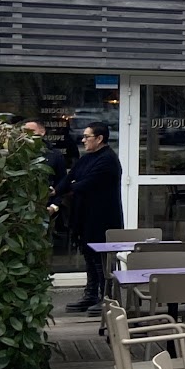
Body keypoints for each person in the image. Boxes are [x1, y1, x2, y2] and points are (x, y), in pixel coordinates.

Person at [64, 121, 123, 313]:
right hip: (85, 217)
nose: (83, 140)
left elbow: (85, 183)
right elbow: (71, 177)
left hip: (103, 219)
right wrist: (54, 191)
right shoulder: (87, 158)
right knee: (89, 256)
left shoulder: (107, 160)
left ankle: (106, 297)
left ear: (99, 139)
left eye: (87, 137)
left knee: (102, 260)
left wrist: (71, 187)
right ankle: (90, 294)